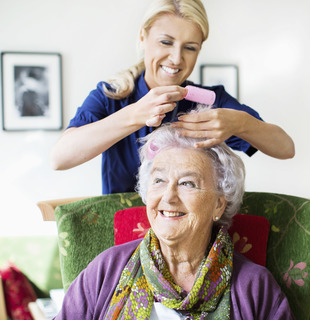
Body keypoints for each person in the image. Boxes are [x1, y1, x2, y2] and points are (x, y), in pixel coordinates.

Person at [50, 0, 295, 194]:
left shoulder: (209, 101)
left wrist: (240, 123)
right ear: (143, 37)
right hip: (126, 231)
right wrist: (134, 115)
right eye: (166, 42)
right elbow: (59, 158)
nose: (177, 58)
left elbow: (285, 148)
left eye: (190, 47)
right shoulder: (111, 96)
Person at [53, 125, 294, 319]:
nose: (168, 196)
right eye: (159, 181)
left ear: (219, 204)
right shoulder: (106, 270)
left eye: (188, 183)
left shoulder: (254, 287)